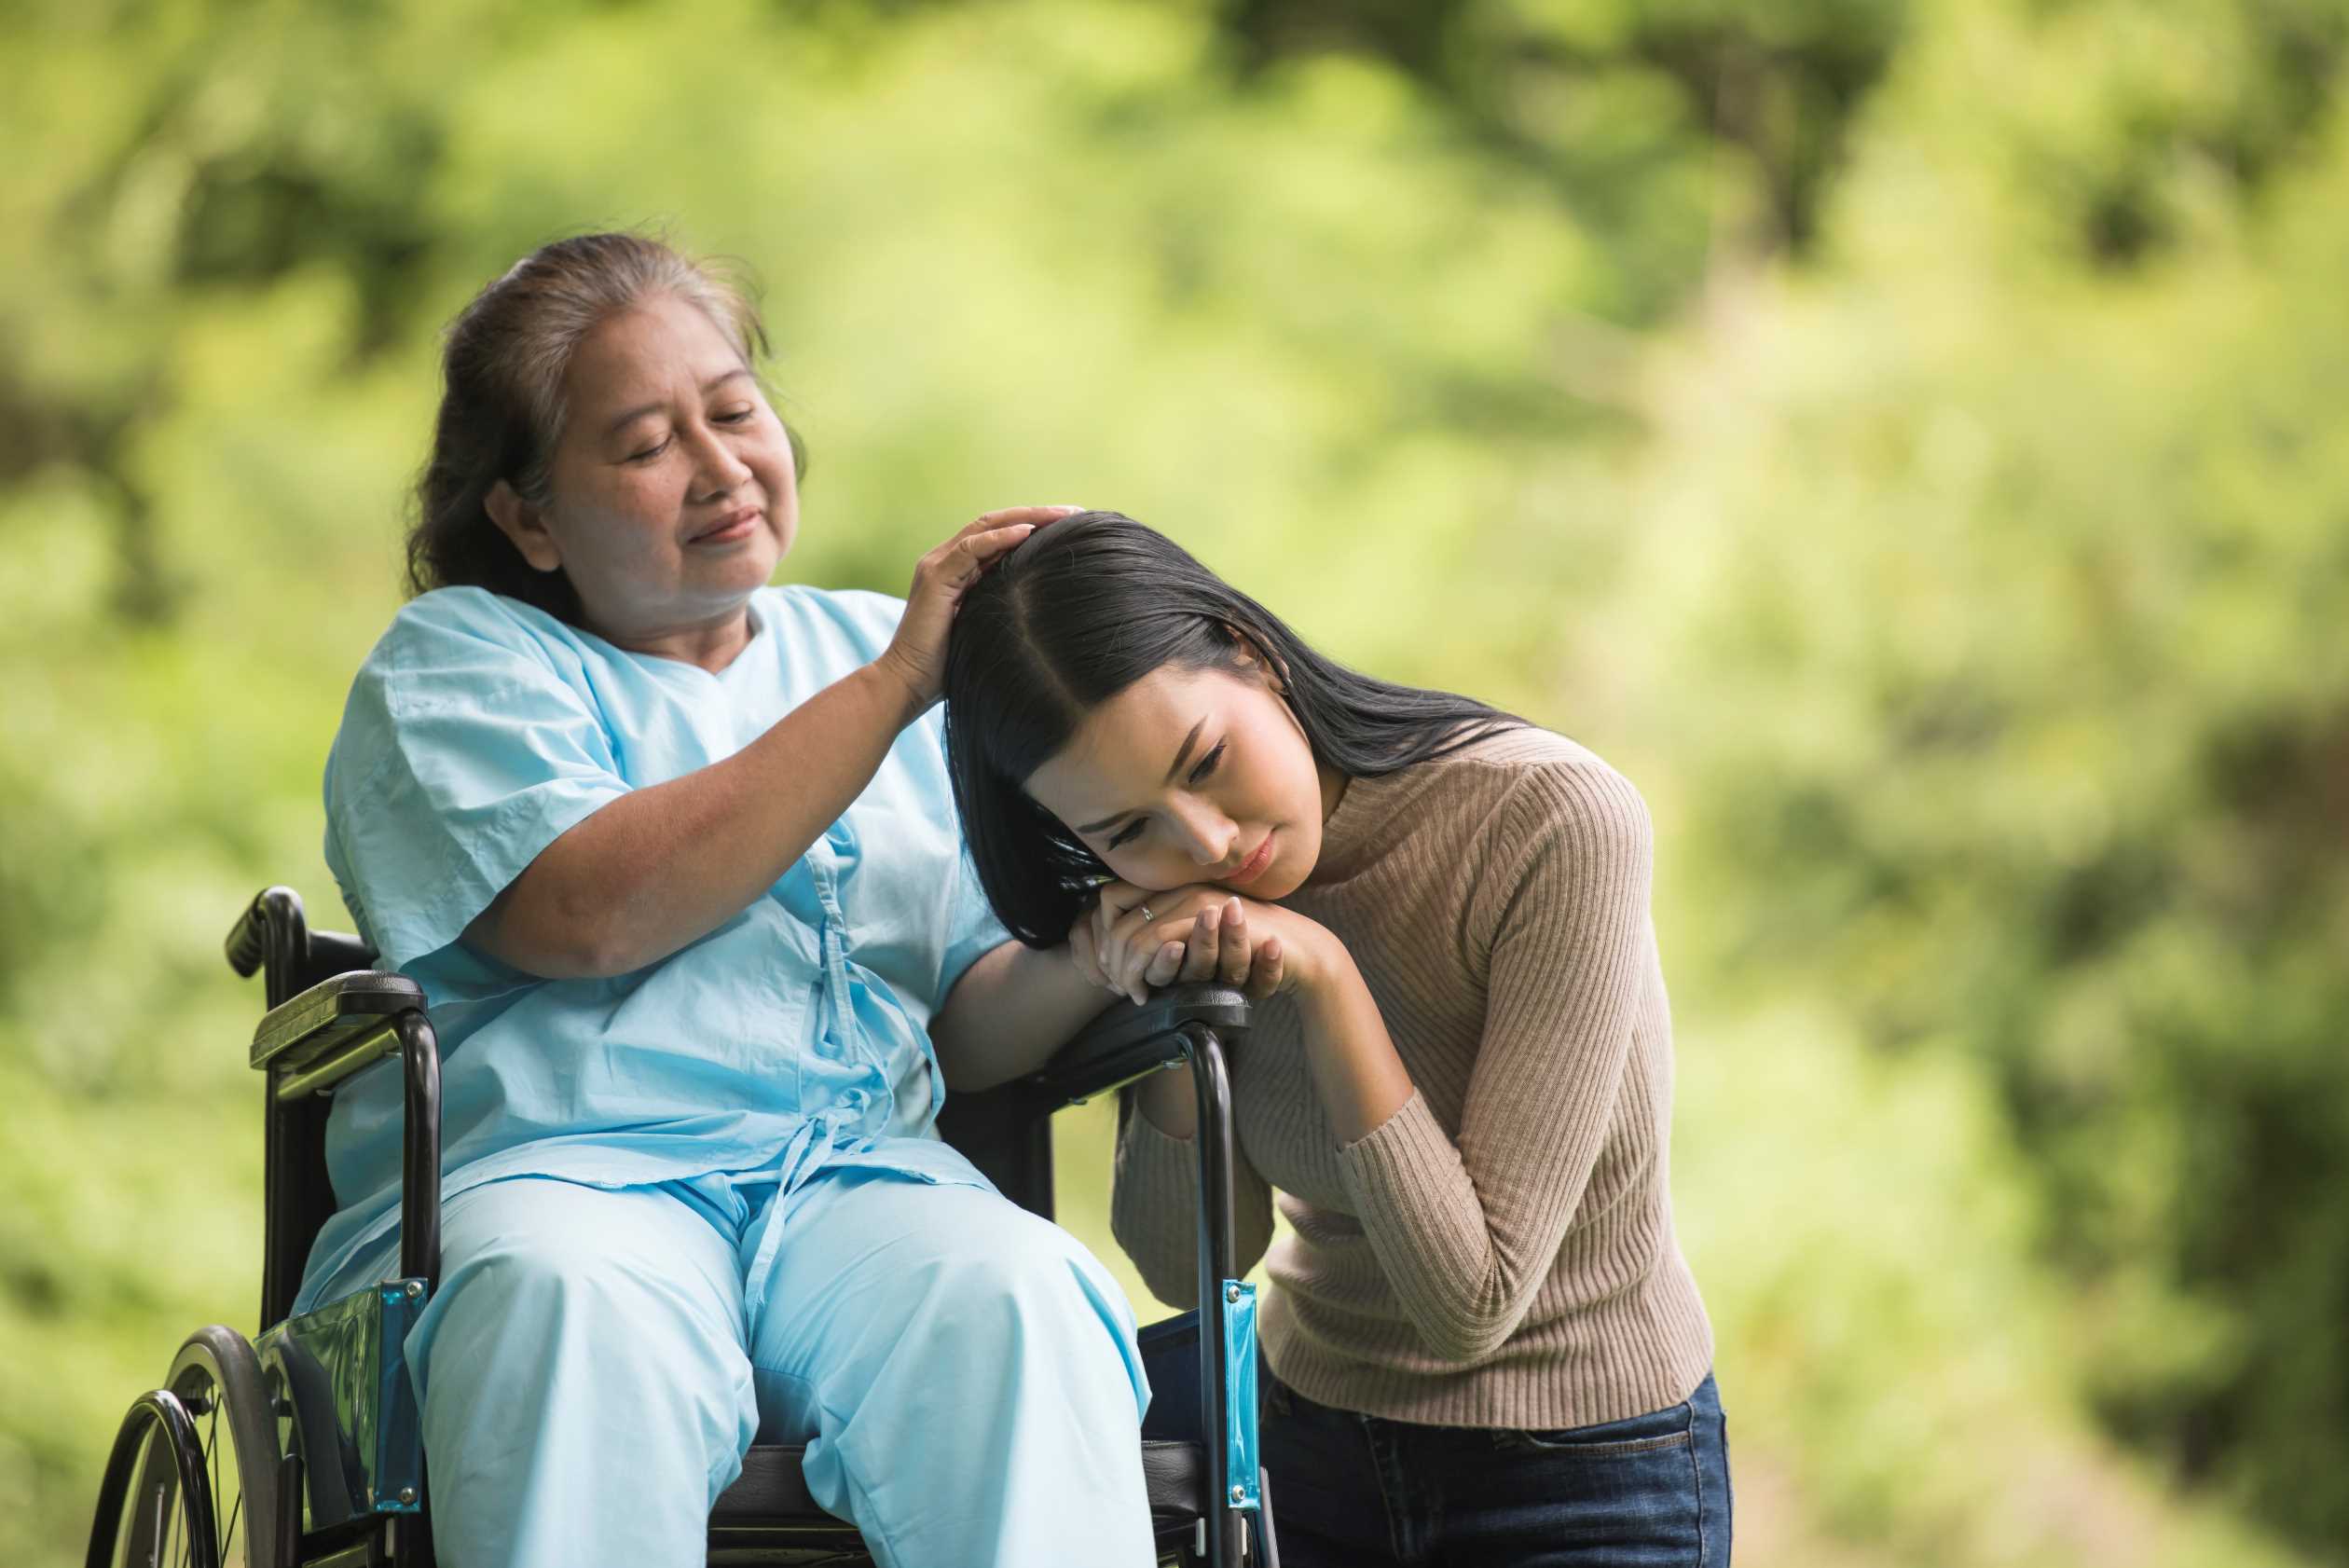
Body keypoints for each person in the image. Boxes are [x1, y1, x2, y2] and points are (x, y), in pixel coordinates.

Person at [295, 234, 1157, 1568]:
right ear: (528, 515)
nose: (719, 468)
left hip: (850, 1184)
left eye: (736, 411)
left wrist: (1107, 947)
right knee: (563, 1305)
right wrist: (889, 691)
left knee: (1019, 1294)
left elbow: (976, 1027)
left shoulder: (871, 647)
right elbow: (587, 914)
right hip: (561, 1179)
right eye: (644, 445)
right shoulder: (458, 663)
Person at [941, 511, 1731, 1566]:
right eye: (1128, 829)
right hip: (1304, 1453)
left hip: (1586, 1467)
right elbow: (1190, 1266)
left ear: (1254, 654)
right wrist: (1143, 986)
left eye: (1208, 760)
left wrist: (1321, 972)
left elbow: (1473, 1301)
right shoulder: (1174, 901)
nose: (1208, 840)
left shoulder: (1552, 819)